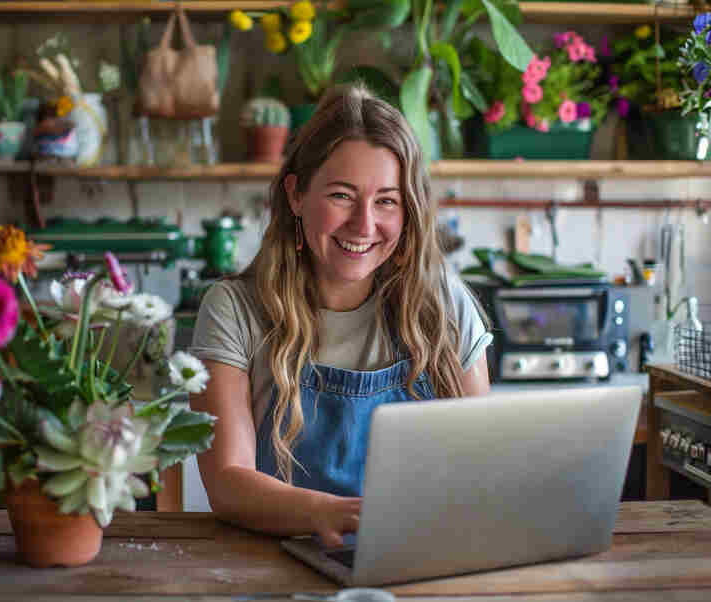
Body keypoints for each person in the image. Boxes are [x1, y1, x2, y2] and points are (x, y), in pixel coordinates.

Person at [188, 84, 492, 548]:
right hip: (278, 564)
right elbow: (228, 483)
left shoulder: (444, 304)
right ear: (296, 195)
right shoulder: (234, 309)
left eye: (386, 201)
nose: (364, 225)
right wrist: (327, 513)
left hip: (420, 559)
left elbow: (484, 466)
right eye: (342, 196)